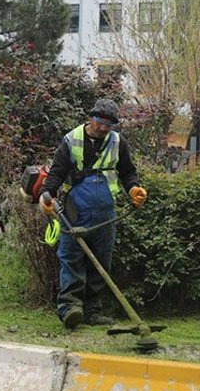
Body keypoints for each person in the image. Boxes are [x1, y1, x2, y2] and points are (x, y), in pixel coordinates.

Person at [38, 98, 147, 330]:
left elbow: (127, 172)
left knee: (101, 260)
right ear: (91, 118)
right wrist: (47, 194)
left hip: (105, 212)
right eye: (100, 122)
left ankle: (92, 311)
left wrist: (134, 189)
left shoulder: (118, 142)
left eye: (109, 125)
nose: (104, 128)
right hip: (74, 210)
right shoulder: (71, 140)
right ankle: (70, 308)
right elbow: (57, 172)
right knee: (71, 258)